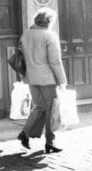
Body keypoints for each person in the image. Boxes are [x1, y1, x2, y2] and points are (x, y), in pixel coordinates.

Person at [16, 8, 67, 153]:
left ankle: (25, 133)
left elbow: (21, 58)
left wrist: (24, 77)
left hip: (31, 77)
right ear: (49, 21)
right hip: (47, 79)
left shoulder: (25, 34)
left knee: (39, 106)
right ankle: (50, 142)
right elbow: (55, 61)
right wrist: (62, 80)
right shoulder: (50, 36)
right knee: (52, 109)